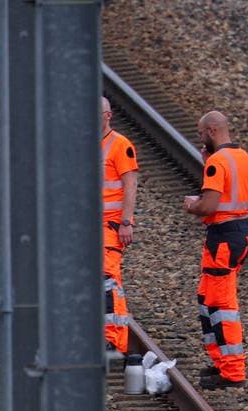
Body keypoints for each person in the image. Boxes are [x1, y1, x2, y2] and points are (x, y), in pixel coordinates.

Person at [183, 110, 248, 389]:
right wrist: (207, 162)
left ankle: (233, 371)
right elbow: (230, 192)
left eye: (201, 134)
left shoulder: (217, 163)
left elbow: (209, 205)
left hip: (223, 237)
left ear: (212, 131)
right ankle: (221, 363)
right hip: (239, 232)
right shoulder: (242, 157)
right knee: (208, 297)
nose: (200, 139)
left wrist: (191, 205)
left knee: (222, 304)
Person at [101, 97, 139, 354]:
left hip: (111, 226)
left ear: (108, 115)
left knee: (108, 280)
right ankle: (104, 336)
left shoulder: (120, 144)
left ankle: (113, 340)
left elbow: (130, 185)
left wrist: (126, 222)